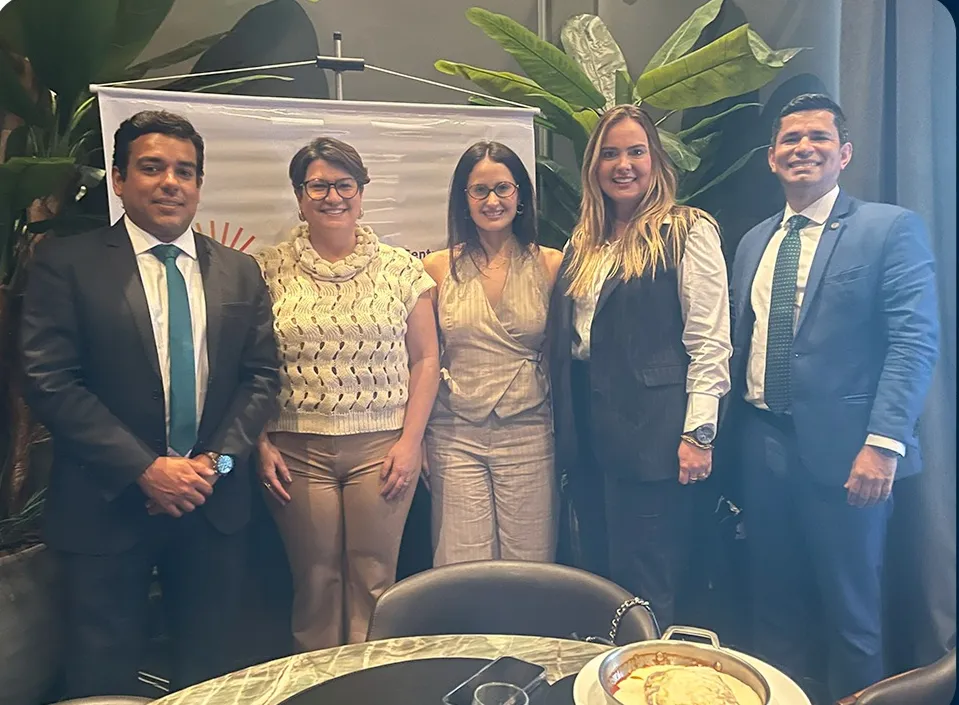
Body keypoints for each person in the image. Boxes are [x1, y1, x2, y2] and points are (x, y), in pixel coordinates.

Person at [20, 110, 280, 696]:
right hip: (105, 505)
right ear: (118, 179)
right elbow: (50, 379)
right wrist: (144, 469)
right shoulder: (67, 264)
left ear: (199, 185)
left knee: (211, 673)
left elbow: (261, 380)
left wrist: (216, 466)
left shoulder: (240, 271)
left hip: (212, 505)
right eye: (152, 167)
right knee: (101, 675)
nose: (171, 183)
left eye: (185, 171)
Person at [727, 93, 939, 701]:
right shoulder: (753, 242)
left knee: (853, 615)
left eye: (818, 137)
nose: (804, 148)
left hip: (852, 457)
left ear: (844, 153)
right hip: (763, 446)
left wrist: (884, 444)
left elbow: (914, 342)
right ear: (771, 158)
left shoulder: (888, 229)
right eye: (790, 139)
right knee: (772, 605)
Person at [547, 104, 731, 629]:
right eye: (610, 154)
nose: (622, 165)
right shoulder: (583, 241)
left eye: (635, 152)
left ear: (656, 161)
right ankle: (606, 670)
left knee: (646, 580)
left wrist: (699, 434)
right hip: (588, 433)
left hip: (652, 435)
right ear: (593, 166)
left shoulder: (686, 230)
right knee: (597, 576)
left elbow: (710, 342)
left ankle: (650, 668)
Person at [255, 137, 439, 650]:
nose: (332, 197)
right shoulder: (266, 268)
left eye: (344, 185)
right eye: (318, 186)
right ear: (299, 196)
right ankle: (319, 681)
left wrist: (411, 442)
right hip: (296, 452)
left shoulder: (401, 269)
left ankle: (369, 680)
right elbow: (247, 364)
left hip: (382, 448)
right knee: (314, 581)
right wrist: (259, 443)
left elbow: (426, 359)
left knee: (374, 579)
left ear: (361, 193)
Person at [422, 141, 563, 566]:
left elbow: (559, 356)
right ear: (463, 200)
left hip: (530, 432)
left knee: (530, 566)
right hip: (454, 436)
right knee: (460, 567)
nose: (492, 201)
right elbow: (425, 359)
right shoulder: (436, 268)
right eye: (479, 190)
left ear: (520, 196)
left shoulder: (551, 264)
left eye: (503, 188)